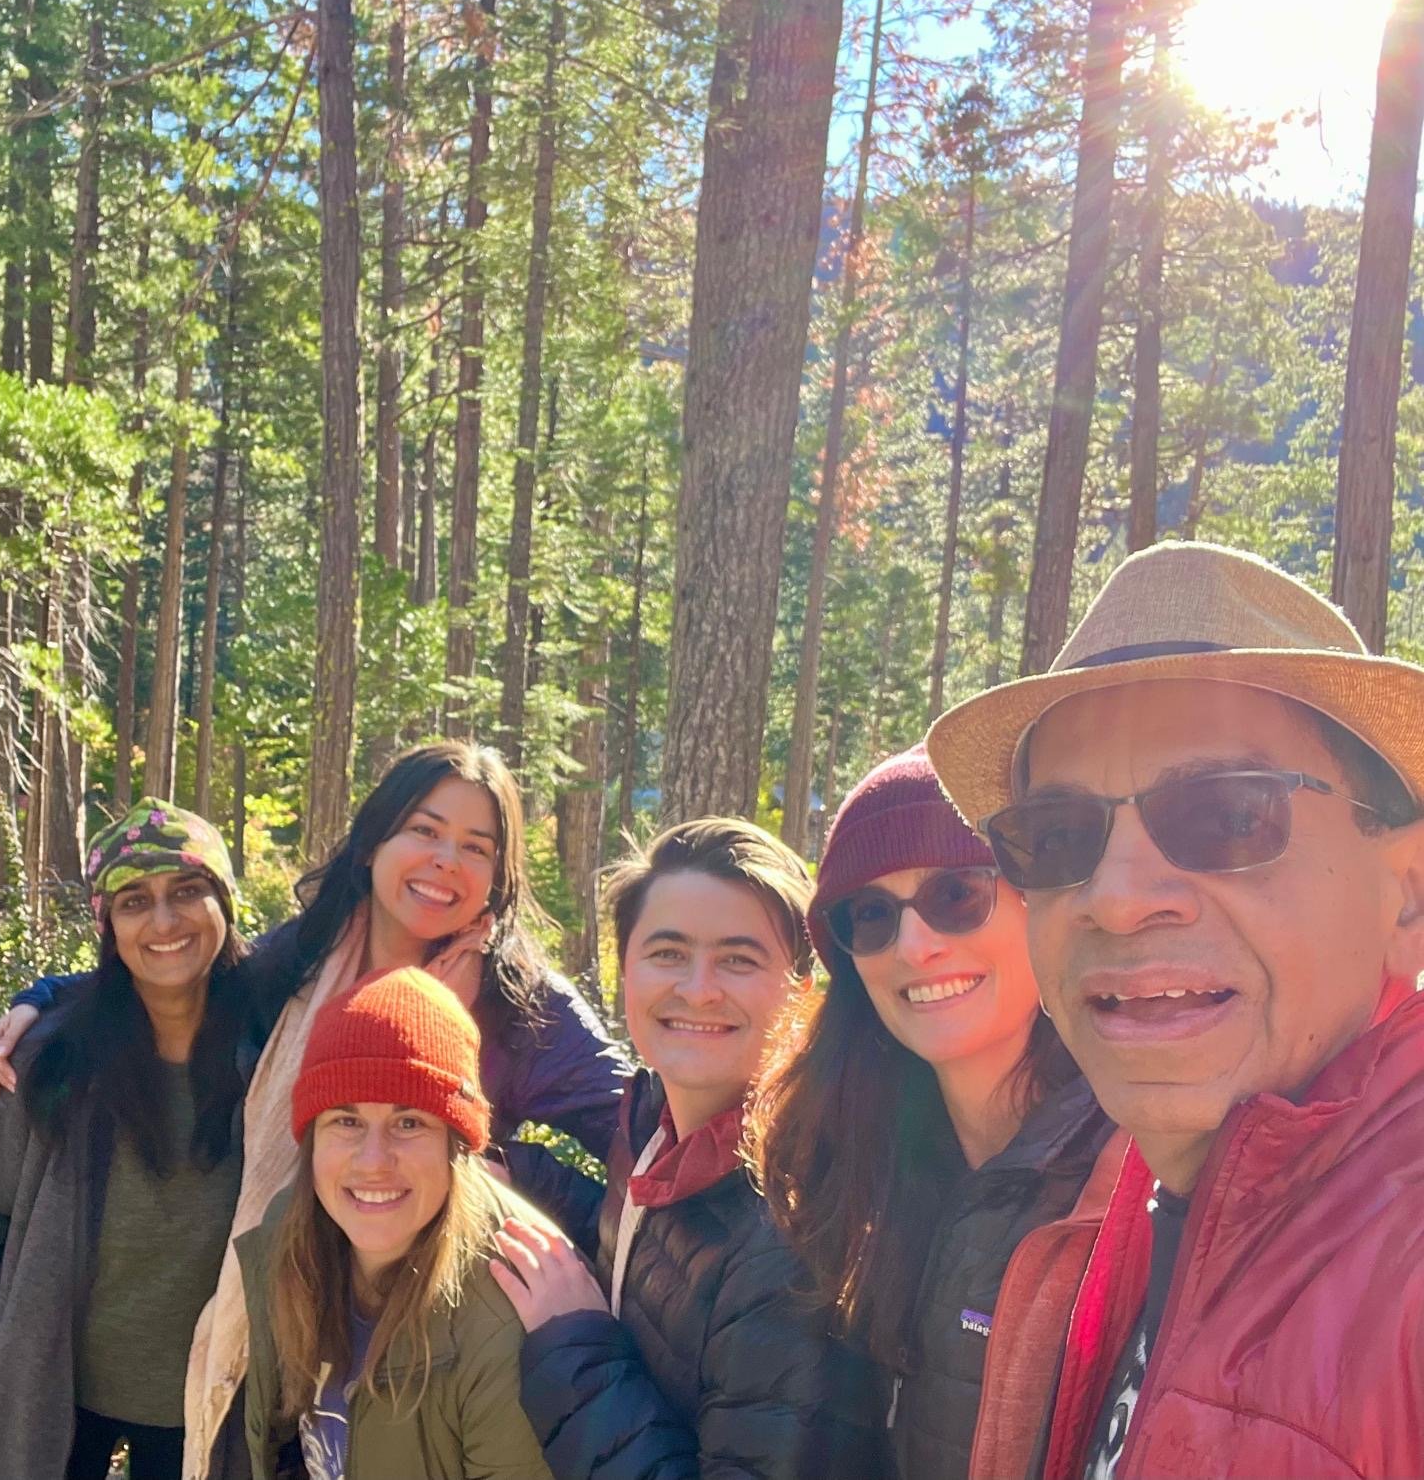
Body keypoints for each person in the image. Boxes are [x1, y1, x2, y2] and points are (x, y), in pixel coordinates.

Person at [0, 742, 626, 1478]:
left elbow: (646, 1139)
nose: (446, 859)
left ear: (498, 879)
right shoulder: (304, 959)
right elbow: (178, 979)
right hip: (282, 1320)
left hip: (427, 1359)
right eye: (425, 829)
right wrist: (46, 1000)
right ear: (374, 839)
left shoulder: (521, 1003)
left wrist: (511, 1178)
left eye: (477, 846)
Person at [927, 540, 1424, 1480]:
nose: (1116, 896)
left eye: (1228, 815)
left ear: (1407, 894)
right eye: (1059, 836)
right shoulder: (1147, 1203)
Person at [749, 744, 1118, 1480]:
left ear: (1035, 904)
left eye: (956, 895)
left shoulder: (1131, 1176)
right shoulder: (858, 1173)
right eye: (873, 915)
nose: (915, 946)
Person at [488, 818, 883, 1480]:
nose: (698, 988)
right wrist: (518, 1174)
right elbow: (659, 1258)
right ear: (625, 973)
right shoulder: (654, 1121)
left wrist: (572, 1347)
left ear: (800, 990)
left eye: (738, 958)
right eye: (668, 952)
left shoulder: (794, 1234)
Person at [0, 800, 250, 1480]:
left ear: (226, 903)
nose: (164, 921)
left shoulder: (270, 1057)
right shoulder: (46, 1061)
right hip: (50, 1404)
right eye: (133, 902)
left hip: (209, 1415)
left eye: (188, 891)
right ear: (108, 926)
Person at [239, 967, 553, 1480]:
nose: (372, 1161)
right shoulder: (288, 1238)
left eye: (409, 1123)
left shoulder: (505, 1314)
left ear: (456, 1145)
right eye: (346, 1120)